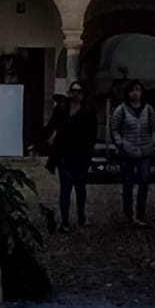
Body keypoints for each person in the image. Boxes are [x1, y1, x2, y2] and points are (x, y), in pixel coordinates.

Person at [44, 82, 97, 230]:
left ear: (83, 94)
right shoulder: (61, 109)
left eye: (79, 92)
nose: (76, 94)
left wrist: (89, 154)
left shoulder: (88, 111)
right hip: (64, 153)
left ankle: (81, 216)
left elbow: (92, 135)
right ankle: (65, 221)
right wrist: (39, 142)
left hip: (81, 154)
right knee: (65, 188)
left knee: (80, 187)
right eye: (73, 91)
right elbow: (51, 126)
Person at [110, 79, 155, 226]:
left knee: (144, 181)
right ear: (128, 93)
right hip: (127, 152)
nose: (135, 93)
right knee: (128, 183)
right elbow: (114, 128)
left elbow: (154, 127)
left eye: (138, 90)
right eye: (132, 90)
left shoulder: (148, 109)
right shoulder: (122, 110)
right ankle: (128, 213)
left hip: (145, 152)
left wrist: (153, 141)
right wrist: (120, 143)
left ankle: (140, 214)